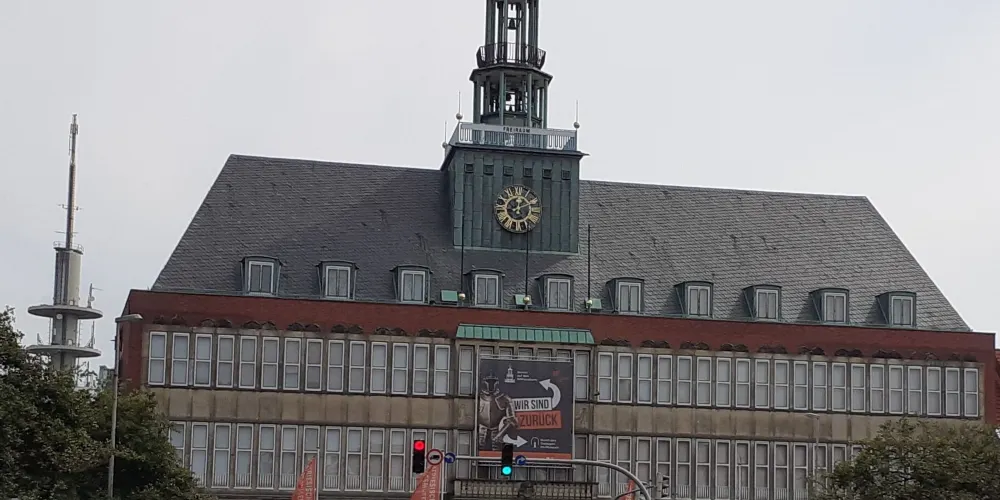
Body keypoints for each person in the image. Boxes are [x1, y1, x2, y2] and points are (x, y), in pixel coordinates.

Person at [477, 371, 517, 451]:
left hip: (497, 430)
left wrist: (499, 435)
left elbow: (511, 421)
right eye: (488, 381)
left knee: (496, 455)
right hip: (479, 431)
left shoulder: (505, 399)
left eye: (493, 381)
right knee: (476, 453)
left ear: (497, 383)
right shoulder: (477, 398)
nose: (491, 384)